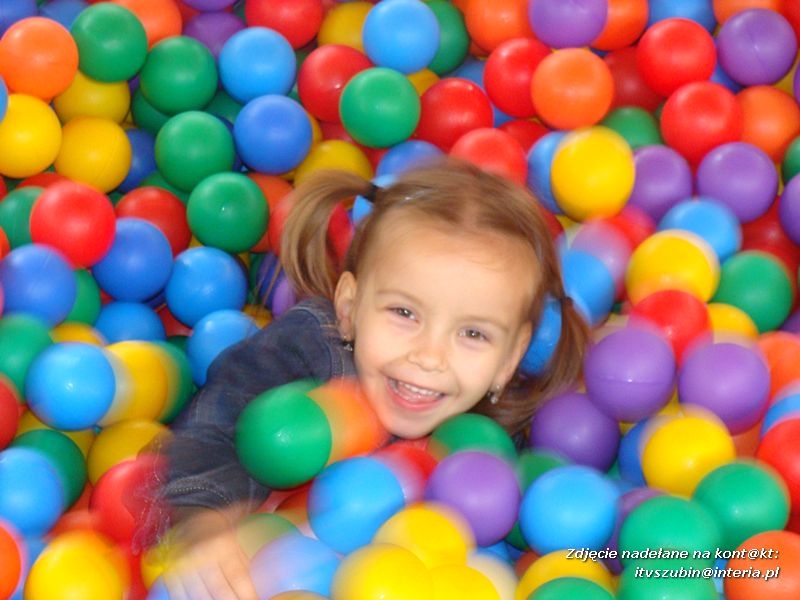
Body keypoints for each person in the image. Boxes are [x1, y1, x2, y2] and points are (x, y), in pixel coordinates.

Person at [148, 158, 589, 600]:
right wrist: (204, 525)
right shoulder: (306, 349)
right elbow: (215, 426)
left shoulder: (487, 442)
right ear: (348, 308)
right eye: (404, 313)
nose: (430, 356)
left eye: (473, 333)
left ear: (509, 358)